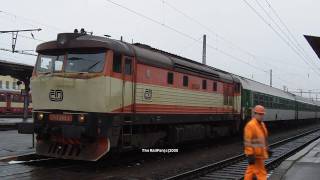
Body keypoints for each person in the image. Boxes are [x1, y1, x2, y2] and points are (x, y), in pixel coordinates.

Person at [244, 105, 271, 180]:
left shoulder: (262, 124)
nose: (261, 116)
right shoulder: (250, 125)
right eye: (259, 114)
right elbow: (247, 141)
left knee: (253, 172)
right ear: (254, 114)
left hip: (260, 155)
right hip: (254, 155)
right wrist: (250, 154)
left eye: (262, 114)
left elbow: (264, 138)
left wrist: (267, 148)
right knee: (259, 173)